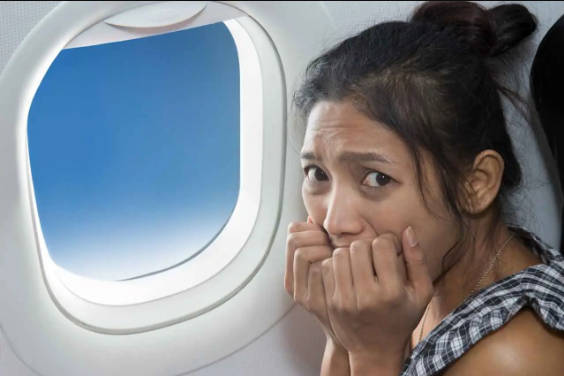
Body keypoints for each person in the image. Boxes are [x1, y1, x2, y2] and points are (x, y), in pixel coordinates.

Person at [284, 1, 564, 375]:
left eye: (376, 178)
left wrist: (374, 355)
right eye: (317, 173)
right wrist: (340, 335)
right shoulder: (414, 282)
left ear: (475, 185)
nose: (334, 222)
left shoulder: (512, 358)